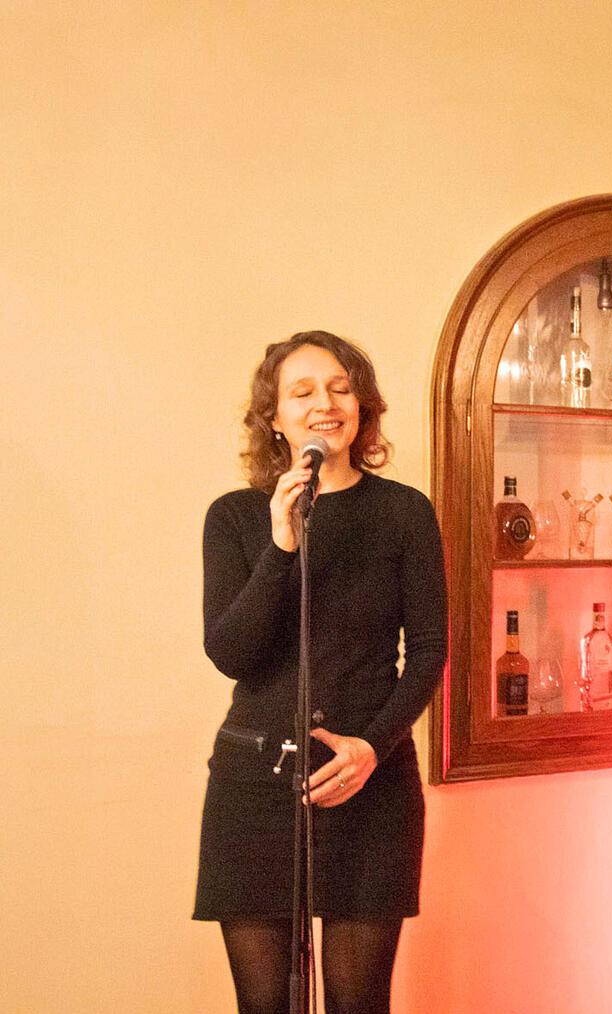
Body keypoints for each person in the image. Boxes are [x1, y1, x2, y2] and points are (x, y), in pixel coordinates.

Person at [193, 331, 448, 1014]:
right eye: (302, 392)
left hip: (370, 785)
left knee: (358, 999)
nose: (325, 404)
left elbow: (427, 651)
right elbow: (232, 653)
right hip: (253, 790)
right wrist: (282, 546)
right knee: (264, 1004)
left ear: (362, 405)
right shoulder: (237, 517)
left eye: (339, 387)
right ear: (274, 417)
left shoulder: (404, 513)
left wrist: (372, 747)